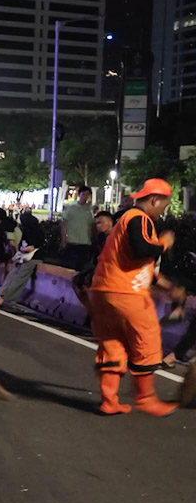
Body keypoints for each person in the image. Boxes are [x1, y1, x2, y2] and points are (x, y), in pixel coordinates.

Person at [89, 178, 177, 417]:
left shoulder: (122, 222)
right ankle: (146, 399)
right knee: (146, 343)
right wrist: (164, 244)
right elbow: (142, 250)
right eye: (163, 205)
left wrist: (165, 285)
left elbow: (134, 262)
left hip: (102, 291)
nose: (163, 211)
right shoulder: (139, 218)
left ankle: (109, 401)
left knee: (112, 344)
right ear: (154, 200)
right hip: (126, 293)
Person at [0, 212, 45, 306]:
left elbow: (34, 245)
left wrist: (24, 248)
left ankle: (3, 298)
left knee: (18, 278)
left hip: (32, 258)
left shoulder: (34, 232)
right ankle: (1, 296)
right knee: (12, 276)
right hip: (24, 256)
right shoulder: (31, 230)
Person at [72, 211, 114, 313]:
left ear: (109, 222)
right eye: (96, 224)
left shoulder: (116, 237)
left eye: (100, 223)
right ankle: (90, 309)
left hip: (112, 270)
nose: (98, 226)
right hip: (99, 267)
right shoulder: (100, 237)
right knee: (77, 281)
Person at [60, 185, 93, 271]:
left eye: (87, 195)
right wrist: (64, 240)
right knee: (70, 267)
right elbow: (64, 224)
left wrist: (90, 239)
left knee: (81, 267)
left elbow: (90, 225)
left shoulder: (89, 211)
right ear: (79, 195)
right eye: (84, 194)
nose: (85, 197)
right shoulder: (70, 209)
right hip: (72, 241)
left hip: (85, 242)